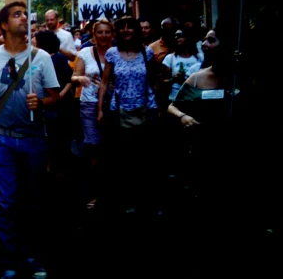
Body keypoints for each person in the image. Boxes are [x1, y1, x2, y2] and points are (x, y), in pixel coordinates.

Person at [0, 1, 60, 279]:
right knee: (5, 201)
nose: (24, 19)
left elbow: (55, 96)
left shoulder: (41, 57)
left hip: (33, 138)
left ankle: (31, 256)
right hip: (0, 140)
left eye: (25, 14)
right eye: (16, 15)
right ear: (5, 25)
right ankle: (8, 258)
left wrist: (41, 101)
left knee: (32, 199)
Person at [166, 28, 238, 215]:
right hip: (202, 149)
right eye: (204, 40)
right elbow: (172, 106)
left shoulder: (240, 77)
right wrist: (183, 116)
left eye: (211, 40)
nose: (204, 44)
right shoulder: (197, 77)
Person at [97, 16, 159, 215]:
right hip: (120, 111)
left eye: (129, 27)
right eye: (122, 28)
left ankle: (148, 201)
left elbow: (152, 81)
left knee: (146, 158)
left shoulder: (146, 52)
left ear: (136, 30)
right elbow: (105, 82)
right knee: (124, 158)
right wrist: (100, 109)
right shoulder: (112, 54)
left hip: (144, 109)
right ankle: (127, 200)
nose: (126, 31)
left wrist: (156, 106)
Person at [71, 18, 115, 209]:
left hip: (114, 105)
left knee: (112, 147)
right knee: (94, 147)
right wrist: (80, 78)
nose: (104, 36)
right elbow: (73, 77)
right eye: (100, 32)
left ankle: (114, 190)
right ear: (94, 35)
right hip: (89, 104)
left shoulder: (117, 54)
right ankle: (96, 192)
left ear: (112, 34)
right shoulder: (85, 54)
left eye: (107, 32)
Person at [35, 29, 74, 176]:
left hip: (59, 107)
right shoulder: (38, 59)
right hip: (46, 105)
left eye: (35, 40)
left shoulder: (58, 59)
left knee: (57, 138)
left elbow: (70, 80)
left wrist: (59, 96)